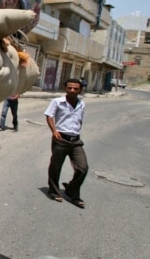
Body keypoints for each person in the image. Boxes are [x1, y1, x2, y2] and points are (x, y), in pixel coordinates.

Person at [44, 78, 88, 209]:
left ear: (80, 90)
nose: (72, 90)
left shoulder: (82, 103)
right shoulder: (57, 102)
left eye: (75, 88)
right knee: (56, 165)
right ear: (65, 89)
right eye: (69, 88)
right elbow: (49, 115)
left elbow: (79, 120)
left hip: (75, 140)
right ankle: (53, 190)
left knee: (83, 168)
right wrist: (54, 130)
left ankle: (71, 190)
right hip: (61, 138)